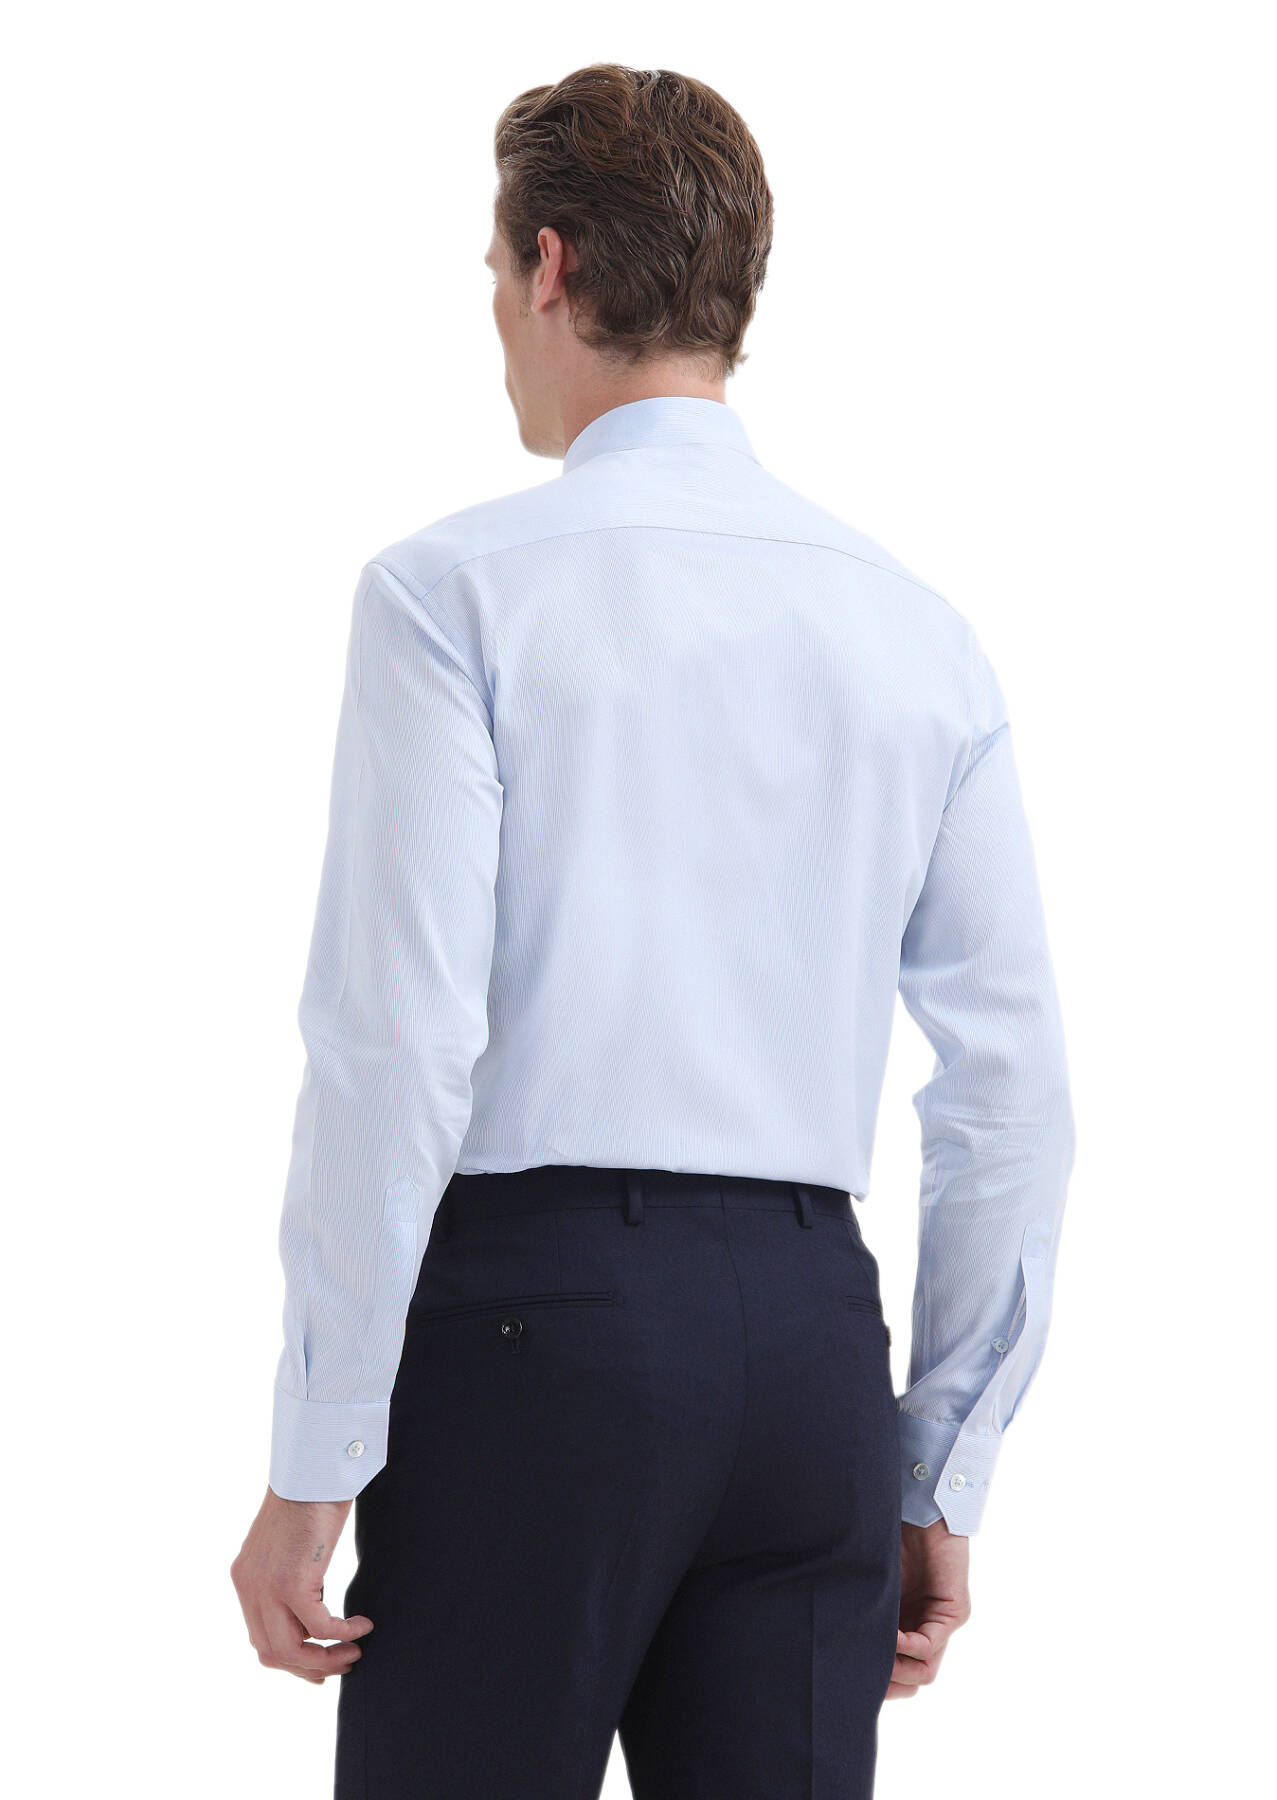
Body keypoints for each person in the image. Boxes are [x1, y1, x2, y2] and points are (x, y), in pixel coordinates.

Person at [231, 62, 1075, 1800]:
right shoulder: (915, 631)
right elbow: (1011, 1093)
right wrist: (936, 1466)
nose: (497, 317)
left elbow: (397, 1043)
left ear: (549, 266)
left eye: (492, 274)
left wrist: (318, 1450)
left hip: (534, 1343)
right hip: (813, 1352)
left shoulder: (452, 594)